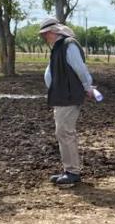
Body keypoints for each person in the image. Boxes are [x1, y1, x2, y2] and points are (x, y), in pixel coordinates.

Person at [39, 17, 94, 187]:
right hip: (61, 96)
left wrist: (88, 86)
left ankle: (72, 172)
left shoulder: (68, 45)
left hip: (69, 96)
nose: (44, 37)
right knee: (62, 132)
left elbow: (80, 68)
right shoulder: (58, 48)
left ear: (53, 31)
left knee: (65, 132)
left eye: (46, 33)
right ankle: (68, 170)